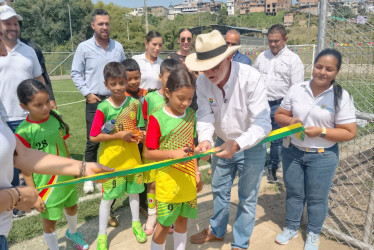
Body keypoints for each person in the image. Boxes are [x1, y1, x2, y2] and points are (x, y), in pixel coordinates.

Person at [185, 30, 271, 250]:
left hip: (251, 146)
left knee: (247, 196)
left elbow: (263, 123)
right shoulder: (203, 83)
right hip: (221, 143)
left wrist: (238, 143)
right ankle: (217, 230)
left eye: (215, 65)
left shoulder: (251, 78)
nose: (209, 72)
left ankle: (240, 243)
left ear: (228, 58)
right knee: (219, 189)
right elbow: (204, 113)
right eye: (205, 67)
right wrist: (205, 139)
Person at [274, 48, 356, 250]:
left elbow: (349, 132)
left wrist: (320, 131)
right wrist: (291, 120)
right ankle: (292, 227)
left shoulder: (341, 97)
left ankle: (313, 234)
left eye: (329, 69)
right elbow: (279, 115)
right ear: (313, 66)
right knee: (293, 193)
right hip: (293, 151)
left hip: (323, 156)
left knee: (317, 198)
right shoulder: (297, 89)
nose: (322, 72)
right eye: (319, 66)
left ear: (337, 71)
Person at [15, 79, 88, 250]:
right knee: (50, 222)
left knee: (72, 207)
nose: (45, 108)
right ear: (24, 106)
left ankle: (72, 232)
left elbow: (63, 146)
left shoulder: (56, 119)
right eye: (38, 105)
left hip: (66, 177)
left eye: (47, 102)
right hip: (46, 185)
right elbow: (26, 169)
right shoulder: (23, 132)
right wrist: (35, 195)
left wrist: (74, 168)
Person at [89, 62, 147, 249]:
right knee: (107, 199)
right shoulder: (103, 108)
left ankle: (136, 223)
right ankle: (101, 235)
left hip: (132, 160)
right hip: (111, 162)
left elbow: (138, 128)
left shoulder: (135, 104)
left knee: (134, 194)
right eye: (113, 84)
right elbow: (94, 136)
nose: (118, 87)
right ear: (106, 85)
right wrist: (118, 135)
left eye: (121, 83)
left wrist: (140, 136)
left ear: (126, 82)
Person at [144, 68, 203, 250]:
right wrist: (172, 154)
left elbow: (190, 148)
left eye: (190, 98)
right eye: (181, 98)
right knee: (163, 224)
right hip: (167, 183)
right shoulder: (157, 118)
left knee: (183, 219)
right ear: (168, 93)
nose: (186, 103)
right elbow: (148, 153)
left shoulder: (191, 116)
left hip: (187, 180)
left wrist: (197, 172)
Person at [71, 9, 126, 194]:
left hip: (115, 101)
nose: (104, 27)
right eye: (100, 24)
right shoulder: (83, 47)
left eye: (107, 23)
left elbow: (123, 71)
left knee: (113, 139)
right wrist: (86, 93)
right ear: (93, 25)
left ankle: (107, 173)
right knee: (92, 140)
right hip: (95, 100)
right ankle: (89, 177)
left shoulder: (117, 47)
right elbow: (76, 72)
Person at [0, 5, 47, 216]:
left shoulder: (29, 51)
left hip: (30, 116)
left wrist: (49, 102)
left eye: (15, 23)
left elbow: (39, 78)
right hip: (4, 118)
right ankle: (11, 205)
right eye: (7, 23)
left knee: (35, 160)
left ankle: (40, 196)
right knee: (7, 166)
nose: (12, 27)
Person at [254, 24, 305, 183]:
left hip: (280, 105)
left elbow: (296, 87)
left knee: (276, 139)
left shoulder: (293, 60)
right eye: (270, 41)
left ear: (285, 39)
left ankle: (272, 168)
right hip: (261, 103)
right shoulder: (262, 57)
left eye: (277, 41)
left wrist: (288, 110)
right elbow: (254, 79)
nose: (273, 44)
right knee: (258, 135)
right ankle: (256, 165)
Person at [142, 58, 182, 236]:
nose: (172, 80)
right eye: (168, 77)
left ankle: (167, 215)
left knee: (168, 183)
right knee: (152, 184)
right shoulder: (149, 98)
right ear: (160, 77)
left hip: (171, 151)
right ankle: (152, 215)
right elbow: (142, 123)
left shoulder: (178, 99)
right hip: (152, 151)